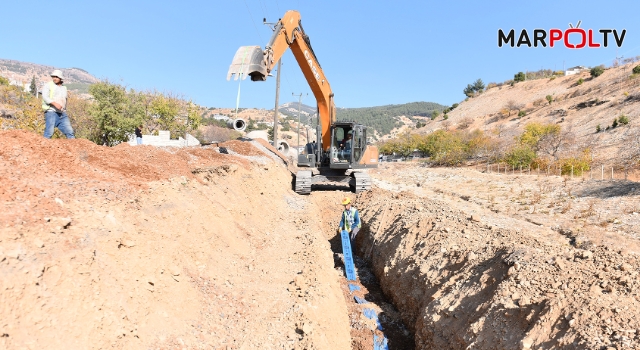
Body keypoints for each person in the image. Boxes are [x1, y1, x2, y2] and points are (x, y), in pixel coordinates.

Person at [41, 70, 74, 139]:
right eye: (53, 77)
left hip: (62, 113)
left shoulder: (64, 88)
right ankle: (44, 147)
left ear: (60, 78)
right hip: (51, 111)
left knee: (70, 131)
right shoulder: (48, 85)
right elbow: (45, 97)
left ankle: (74, 148)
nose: (54, 78)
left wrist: (64, 109)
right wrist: (55, 104)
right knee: (49, 132)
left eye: (56, 77)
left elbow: (65, 99)